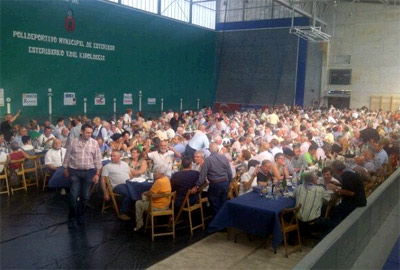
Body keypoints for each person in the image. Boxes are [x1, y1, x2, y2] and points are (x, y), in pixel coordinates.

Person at [63, 124, 102, 229]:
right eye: (87, 132)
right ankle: (71, 218)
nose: (90, 134)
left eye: (91, 132)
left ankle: (81, 216)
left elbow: (98, 160)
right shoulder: (73, 142)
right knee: (73, 196)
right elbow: (67, 156)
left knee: (85, 196)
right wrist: (65, 168)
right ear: (82, 131)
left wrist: (97, 174)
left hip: (89, 172)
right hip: (75, 171)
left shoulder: (94, 143)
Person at [194, 142, 232, 216]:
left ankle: (216, 223)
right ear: (217, 150)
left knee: (214, 204)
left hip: (215, 184)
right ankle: (222, 221)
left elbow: (202, 176)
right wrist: (230, 182)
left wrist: (196, 185)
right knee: (222, 202)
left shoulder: (208, 160)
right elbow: (229, 172)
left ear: (209, 150)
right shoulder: (224, 158)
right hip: (225, 183)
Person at [134, 165, 172, 231]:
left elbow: (151, 194)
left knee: (138, 203)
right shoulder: (166, 178)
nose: (154, 174)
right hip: (166, 205)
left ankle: (139, 224)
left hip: (157, 206)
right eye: (154, 172)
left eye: (156, 172)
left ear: (162, 174)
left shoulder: (159, 181)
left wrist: (145, 193)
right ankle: (149, 220)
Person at [330, 160, 367, 224]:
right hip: (360, 198)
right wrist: (338, 184)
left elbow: (351, 193)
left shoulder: (346, 176)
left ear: (336, 169)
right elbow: (350, 186)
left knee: (334, 211)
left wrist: (337, 190)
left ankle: (338, 227)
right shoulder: (348, 172)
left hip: (356, 202)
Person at [101, 150, 133, 221]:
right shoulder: (107, 166)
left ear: (119, 157)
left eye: (114, 156)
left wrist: (133, 182)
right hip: (117, 185)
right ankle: (122, 213)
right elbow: (102, 180)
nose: (112, 157)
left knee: (139, 190)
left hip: (128, 183)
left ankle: (136, 210)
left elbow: (130, 174)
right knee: (129, 193)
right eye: (111, 156)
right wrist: (105, 193)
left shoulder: (125, 164)